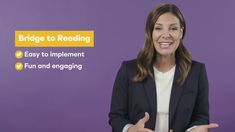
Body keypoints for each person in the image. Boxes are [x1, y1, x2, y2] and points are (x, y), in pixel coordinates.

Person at [108, 3, 219, 132]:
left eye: (173, 28)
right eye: (159, 28)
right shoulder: (128, 70)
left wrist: (193, 130)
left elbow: (200, 116)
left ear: (181, 32)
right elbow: (116, 117)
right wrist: (130, 129)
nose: (166, 35)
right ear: (150, 32)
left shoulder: (197, 71)